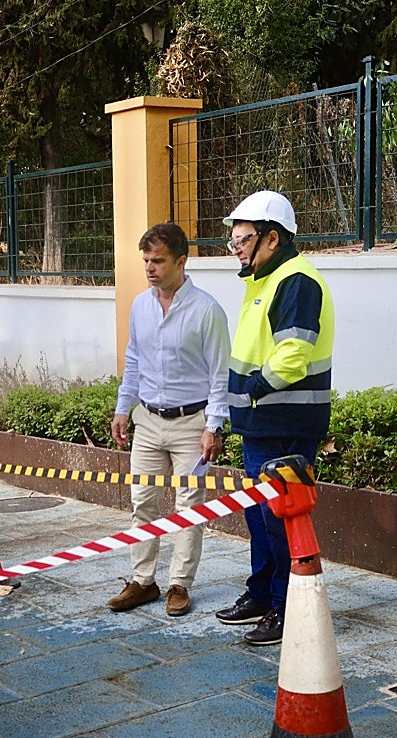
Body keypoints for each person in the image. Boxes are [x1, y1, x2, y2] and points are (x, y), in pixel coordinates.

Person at [214, 190, 335, 646]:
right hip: (261, 423)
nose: (236, 248)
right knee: (259, 515)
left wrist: (253, 389)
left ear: (273, 238)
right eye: (233, 240)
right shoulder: (263, 280)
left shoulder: (296, 280)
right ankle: (263, 594)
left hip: (285, 421)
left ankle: (288, 609)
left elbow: (293, 355)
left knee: (281, 519)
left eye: (243, 239)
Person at [108, 222, 230, 617]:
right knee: (141, 501)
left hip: (191, 422)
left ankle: (180, 585)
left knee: (188, 507)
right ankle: (143, 581)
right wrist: (123, 408)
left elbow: (220, 375)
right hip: (147, 419)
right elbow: (134, 360)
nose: (150, 268)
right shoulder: (140, 306)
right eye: (146, 260)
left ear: (181, 261)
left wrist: (213, 426)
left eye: (158, 261)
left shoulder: (207, 310)